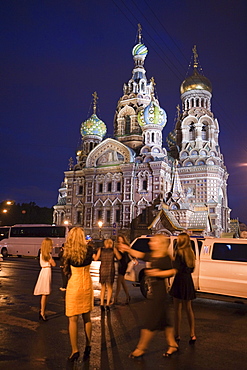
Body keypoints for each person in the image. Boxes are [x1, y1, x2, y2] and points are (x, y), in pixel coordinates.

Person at [121, 234, 178, 358]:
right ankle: (172, 344)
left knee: (149, 323)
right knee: (164, 321)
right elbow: (140, 254)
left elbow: (173, 271)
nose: (150, 243)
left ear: (161, 244)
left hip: (159, 294)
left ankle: (141, 348)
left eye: (154, 241)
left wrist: (159, 273)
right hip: (153, 292)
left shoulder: (164, 257)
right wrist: (127, 249)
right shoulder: (153, 255)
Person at [63, 227, 95, 362]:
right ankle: (88, 345)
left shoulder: (67, 252)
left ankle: (75, 350)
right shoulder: (89, 250)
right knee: (86, 317)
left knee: (73, 319)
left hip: (74, 285)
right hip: (86, 284)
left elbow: (65, 271)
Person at [169, 232, 196, 344]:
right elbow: (191, 269)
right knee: (189, 309)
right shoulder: (191, 253)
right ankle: (192, 334)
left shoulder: (179, 252)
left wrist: (172, 257)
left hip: (179, 281)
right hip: (188, 281)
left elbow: (176, 267)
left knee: (177, 310)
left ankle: (177, 334)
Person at [94, 238, 121, 311]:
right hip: (110, 269)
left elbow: (96, 258)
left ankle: (102, 303)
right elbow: (119, 257)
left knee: (103, 287)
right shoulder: (113, 250)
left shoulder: (101, 250)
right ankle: (108, 303)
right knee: (110, 287)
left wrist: (93, 255)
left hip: (103, 269)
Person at [33, 238, 56, 321]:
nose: (52, 247)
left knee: (44, 293)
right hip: (46, 271)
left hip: (44, 271)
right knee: (45, 293)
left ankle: (42, 311)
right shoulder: (47, 255)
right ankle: (42, 312)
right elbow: (53, 264)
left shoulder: (42, 253)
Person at [114, 235, 132, 305]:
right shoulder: (117, 246)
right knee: (122, 282)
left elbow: (127, 255)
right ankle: (128, 296)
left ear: (123, 239)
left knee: (119, 282)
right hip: (119, 265)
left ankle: (115, 298)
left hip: (123, 265)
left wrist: (133, 259)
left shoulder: (125, 246)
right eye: (119, 239)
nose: (120, 240)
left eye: (121, 239)